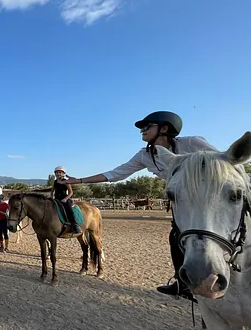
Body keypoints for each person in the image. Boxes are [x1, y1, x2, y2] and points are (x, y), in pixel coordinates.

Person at [63, 111, 218, 301]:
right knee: (175, 236)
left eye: (146, 127)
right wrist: (78, 181)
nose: (142, 131)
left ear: (165, 128)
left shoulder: (192, 143)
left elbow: (223, 162)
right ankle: (182, 283)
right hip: (183, 202)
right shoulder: (145, 155)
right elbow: (115, 174)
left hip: (210, 198)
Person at [51, 166, 82, 234]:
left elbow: (71, 192)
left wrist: (65, 199)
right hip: (56, 199)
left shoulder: (66, 181)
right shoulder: (55, 182)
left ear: (63, 173)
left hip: (65, 198)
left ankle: (75, 225)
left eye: (59, 172)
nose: (58, 174)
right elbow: (52, 191)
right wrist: (51, 197)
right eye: (56, 172)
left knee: (69, 210)